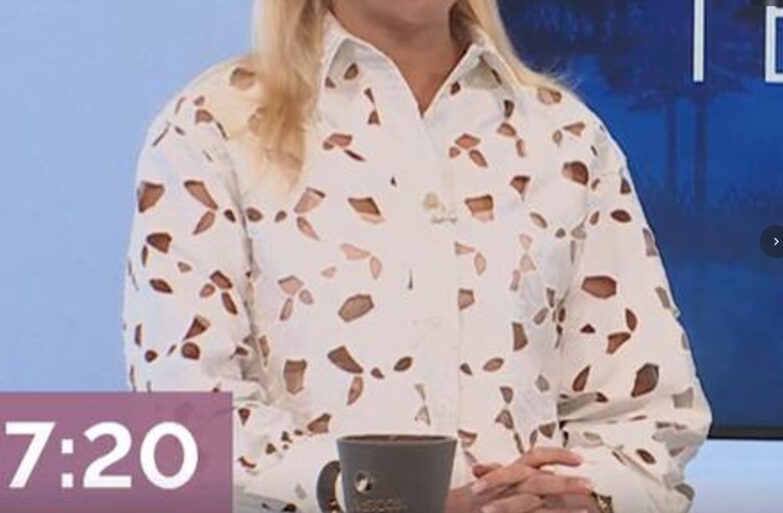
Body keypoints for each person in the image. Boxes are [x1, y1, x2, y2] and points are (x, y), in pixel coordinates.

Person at [120, 1, 713, 512]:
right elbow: (185, 421)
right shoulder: (212, 132)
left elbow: (649, 419)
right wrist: (379, 495)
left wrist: (582, 496)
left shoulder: (567, 140)